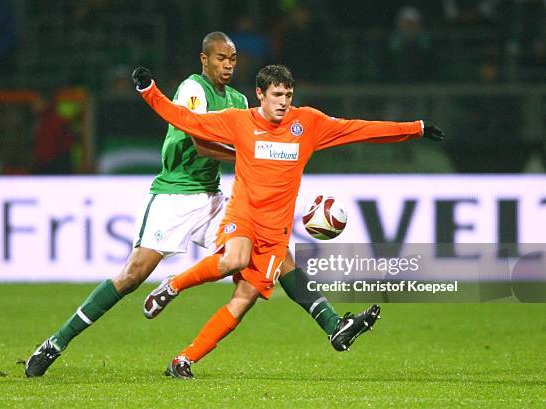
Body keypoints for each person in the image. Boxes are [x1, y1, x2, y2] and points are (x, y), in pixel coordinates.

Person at [25, 32, 345, 377]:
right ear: (204, 59)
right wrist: (254, 154)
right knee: (133, 275)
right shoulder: (193, 89)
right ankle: (56, 342)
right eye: (221, 58)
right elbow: (201, 143)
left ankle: (332, 324)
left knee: (276, 254)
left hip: (213, 196)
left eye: (232, 59)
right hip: (174, 195)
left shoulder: (238, 100)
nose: (227, 65)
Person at [133, 64, 444, 379]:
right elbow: (187, 119)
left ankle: (183, 361)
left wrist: (414, 129)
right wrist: (150, 92)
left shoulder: (307, 123)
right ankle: (172, 285)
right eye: (277, 95)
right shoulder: (239, 121)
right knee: (234, 259)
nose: (283, 101)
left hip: (276, 230)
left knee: (243, 300)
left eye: (288, 95)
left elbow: (359, 129)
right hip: (244, 213)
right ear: (260, 95)